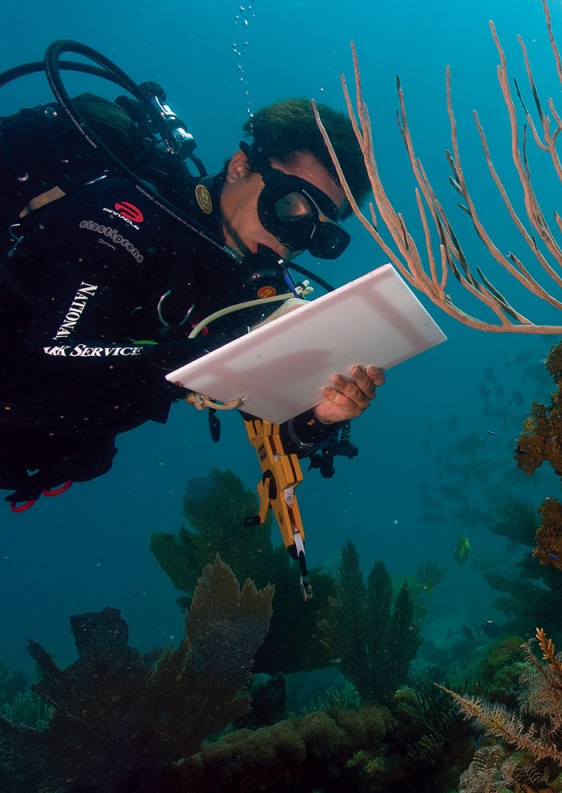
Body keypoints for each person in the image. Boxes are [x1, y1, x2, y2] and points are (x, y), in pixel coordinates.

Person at [0, 97, 385, 509]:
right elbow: (40, 370)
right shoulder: (127, 217)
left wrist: (321, 416)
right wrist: (213, 355)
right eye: (292, 206)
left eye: (318, 233)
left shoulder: (253, 292)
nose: (295, 238)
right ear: (241, 167)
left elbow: (275, 429)